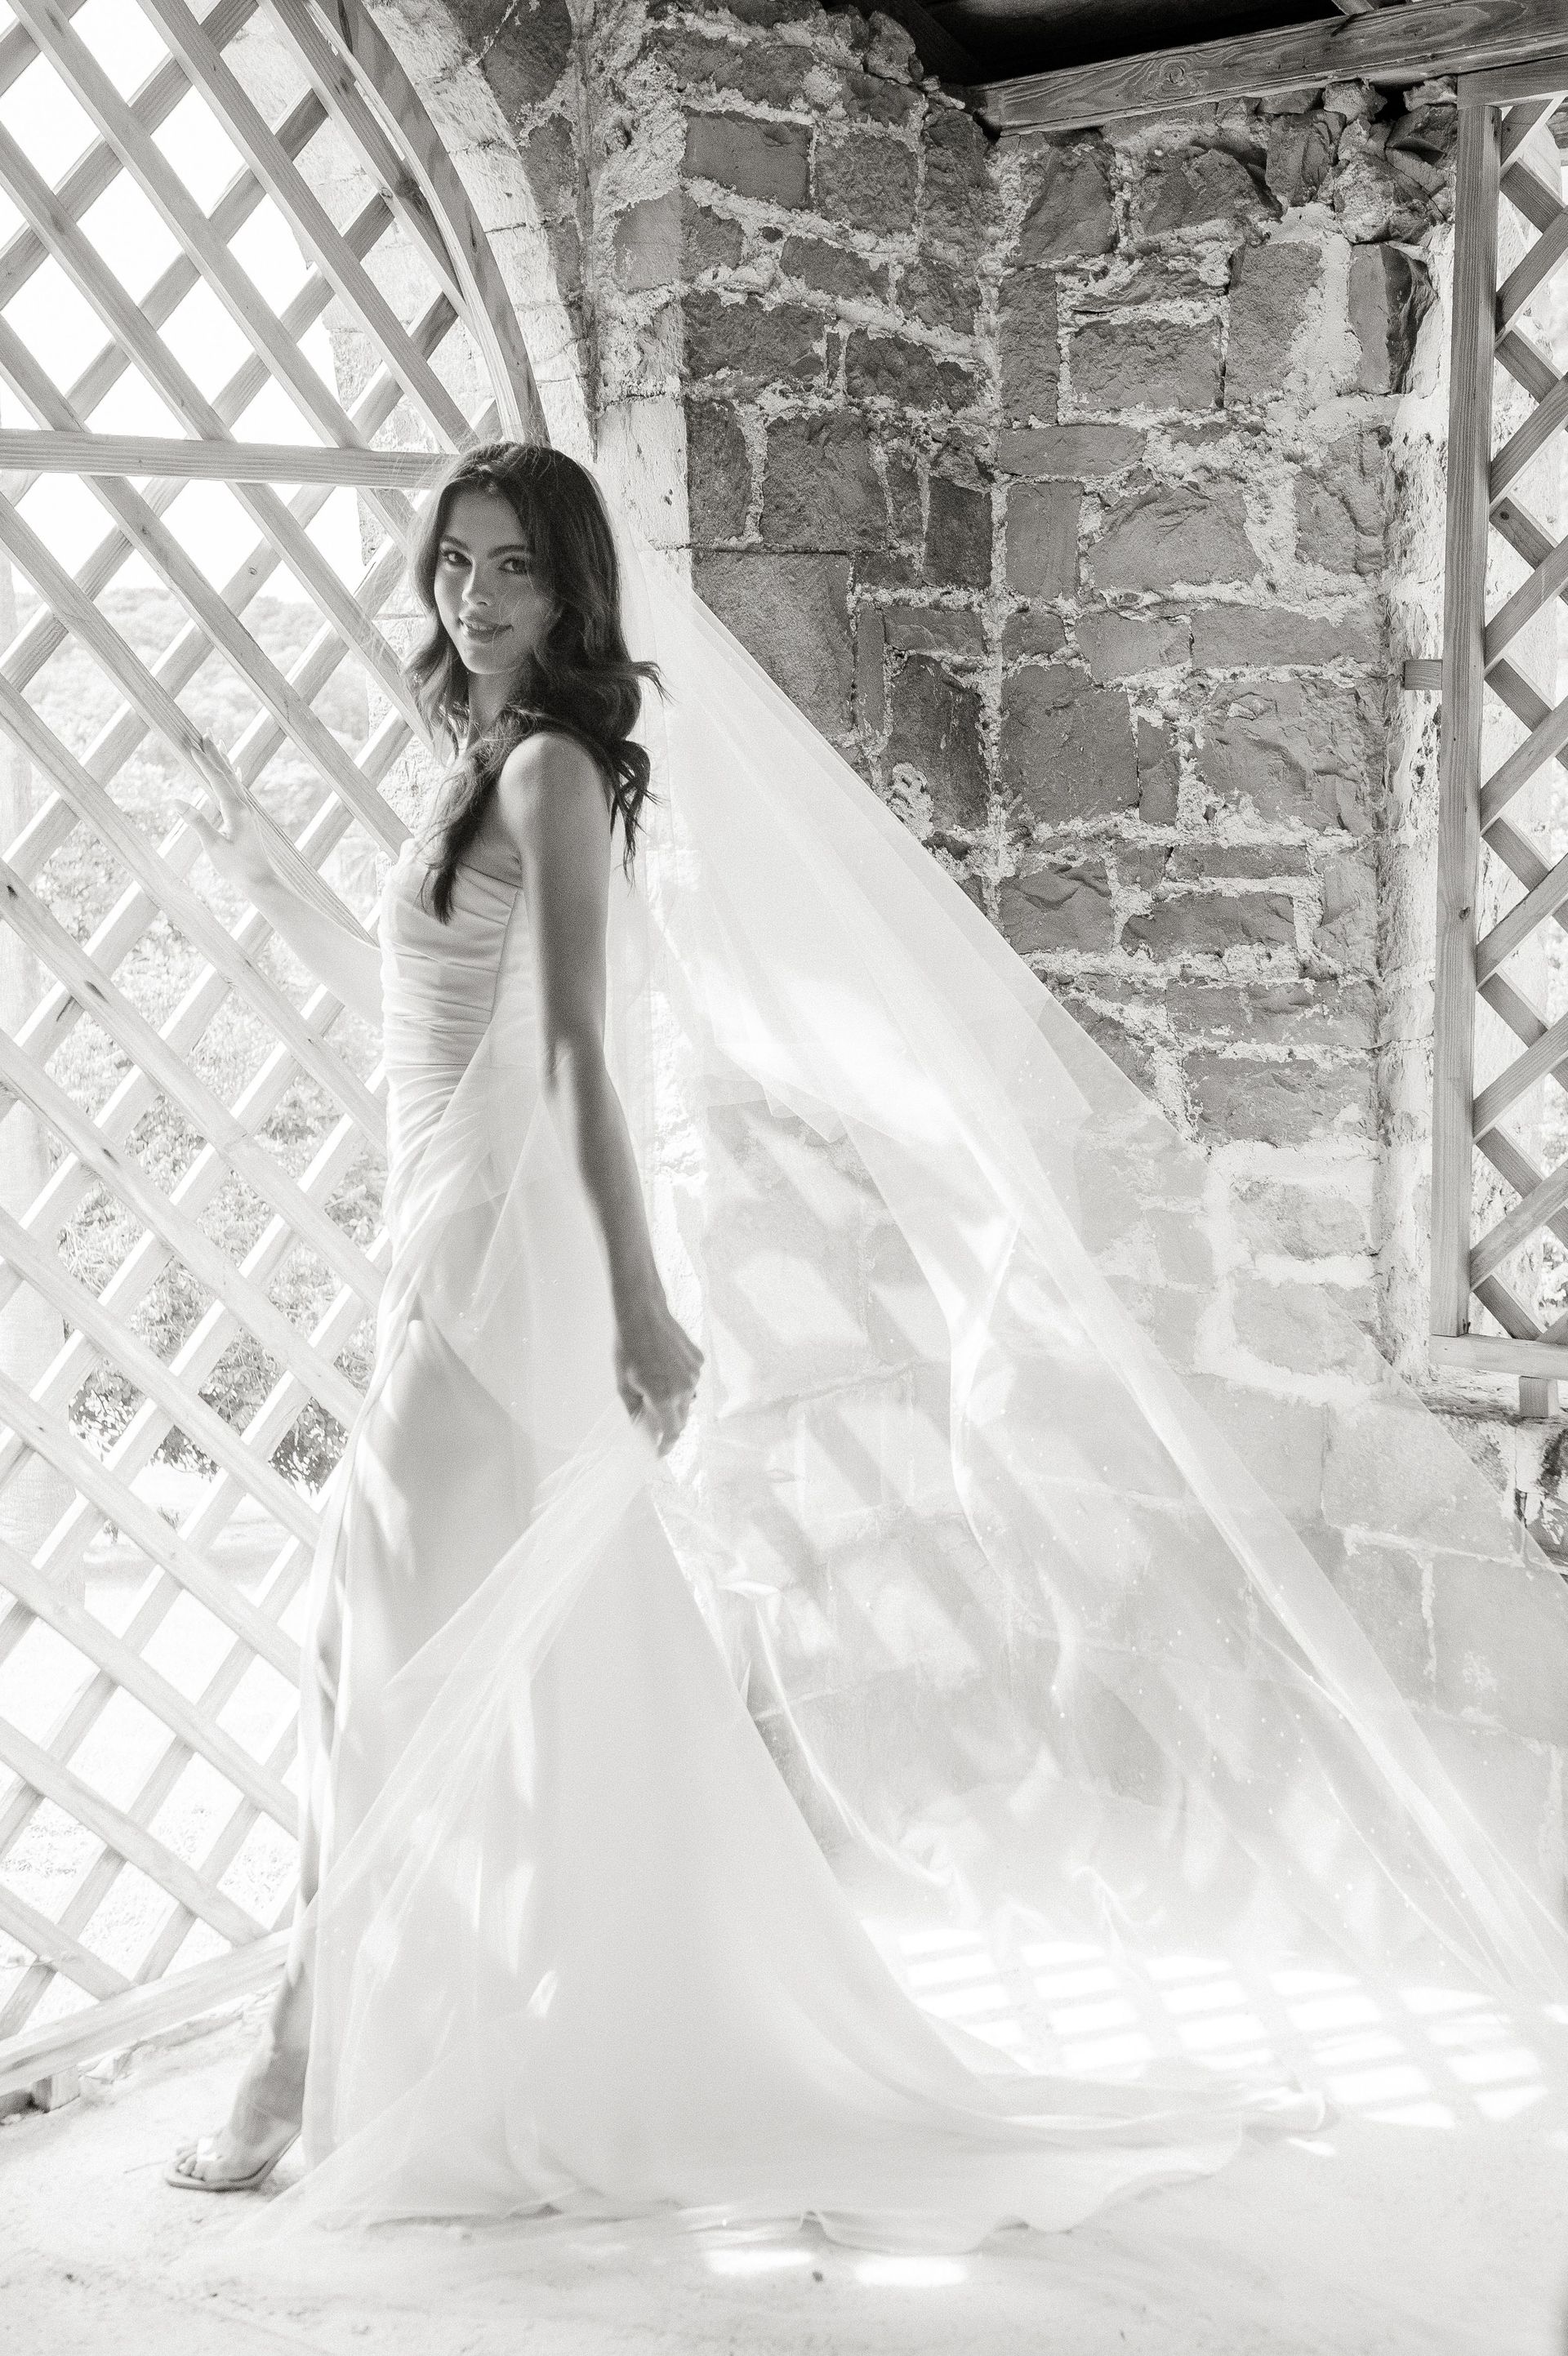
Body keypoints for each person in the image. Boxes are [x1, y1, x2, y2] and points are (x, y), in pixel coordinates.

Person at [164, 443, 1568, 2249]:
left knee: (384, 1619)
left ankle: (299, 2051)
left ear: (574, 591)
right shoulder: (474, 769)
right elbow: (418, 1001)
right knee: (412, 1628)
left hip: (517, 1255)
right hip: (442, 1235)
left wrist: (653, 1303)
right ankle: (452, 2016)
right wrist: (250, 860)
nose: (474, 595)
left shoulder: (554, 775)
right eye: (455, 563)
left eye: (513, 567)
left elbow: (589, 1056)